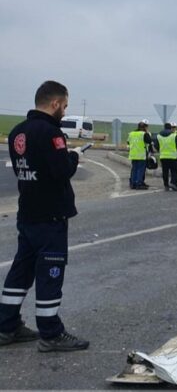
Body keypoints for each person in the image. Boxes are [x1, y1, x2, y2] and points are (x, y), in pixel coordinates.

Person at [0, 80, 89, 352]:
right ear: (54, 104)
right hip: (50, 216)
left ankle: (6, 326)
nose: (64, 110)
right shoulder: (51, 133)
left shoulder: (18, 132)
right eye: (64, 106)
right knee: (51, 273)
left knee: (21, 271)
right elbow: (61, 171)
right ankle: (50, 334)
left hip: (27, 214)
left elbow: (21, 170)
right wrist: (73, 155)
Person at [157, 122, 177, 191]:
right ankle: (173, 183)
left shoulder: (159, 135)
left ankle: (166, 185)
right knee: (174, 171)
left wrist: (160, 150)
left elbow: (156, 146)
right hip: (172, 157)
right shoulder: (174, 135)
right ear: (170, 128)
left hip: (163, 157)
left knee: (165, 171)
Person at [127, 120, 152, 190]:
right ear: (144, 127)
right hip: (141, 155)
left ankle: (133, 183)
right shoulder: (144, 134)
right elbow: (149, 141)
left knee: (134, 169)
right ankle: (139, 183)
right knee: (140, 170)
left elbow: (128, 142)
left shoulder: (131, 133)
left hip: (133, 154)